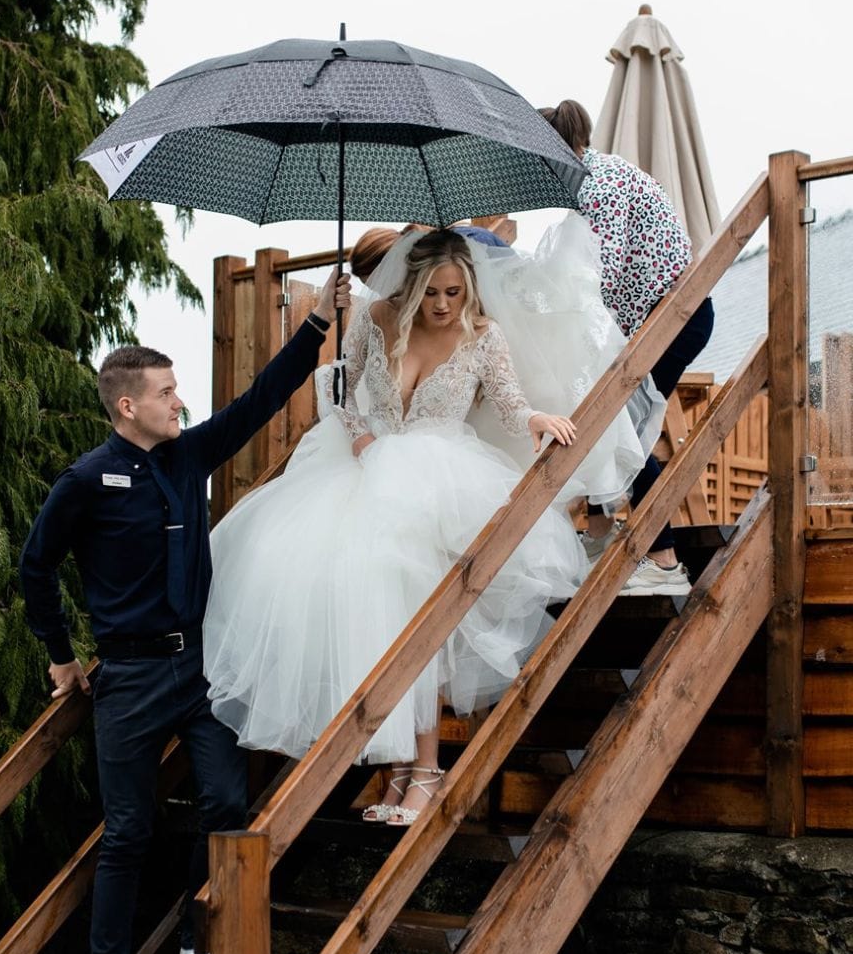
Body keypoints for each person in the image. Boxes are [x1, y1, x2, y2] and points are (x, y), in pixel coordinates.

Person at [203, 224, 650, 826]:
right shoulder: (375, 318)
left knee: (422, 623)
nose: (443, 305)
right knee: (369, 618)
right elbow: (339, 386)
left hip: (439, 485)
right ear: (412, 286)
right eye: (433, 293)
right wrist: (359, 434)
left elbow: (509, 404)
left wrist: (539, 417)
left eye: (454, 294)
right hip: (360, 467)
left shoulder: (484, 338)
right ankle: (397, 772)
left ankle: (428, 773)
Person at [19, 268, 350, 954]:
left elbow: (259, 404)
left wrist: (316, 327)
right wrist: (63, 657)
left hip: (201, 671)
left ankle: (199, 941)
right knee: (127, 834)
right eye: (168, 393)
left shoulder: (189, 455)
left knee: (229, 801)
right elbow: (36, 568)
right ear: (127, 405)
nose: (182, 403)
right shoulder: (86, 481)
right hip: (126, 682)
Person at [541, 99, 710, 595]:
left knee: (624, 436)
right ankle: (598, 534)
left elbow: (603, 275)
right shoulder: (593, 178)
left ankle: (664, 560)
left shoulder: (598, 187)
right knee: (612, 424)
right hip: (658, 321)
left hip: (674, 321)